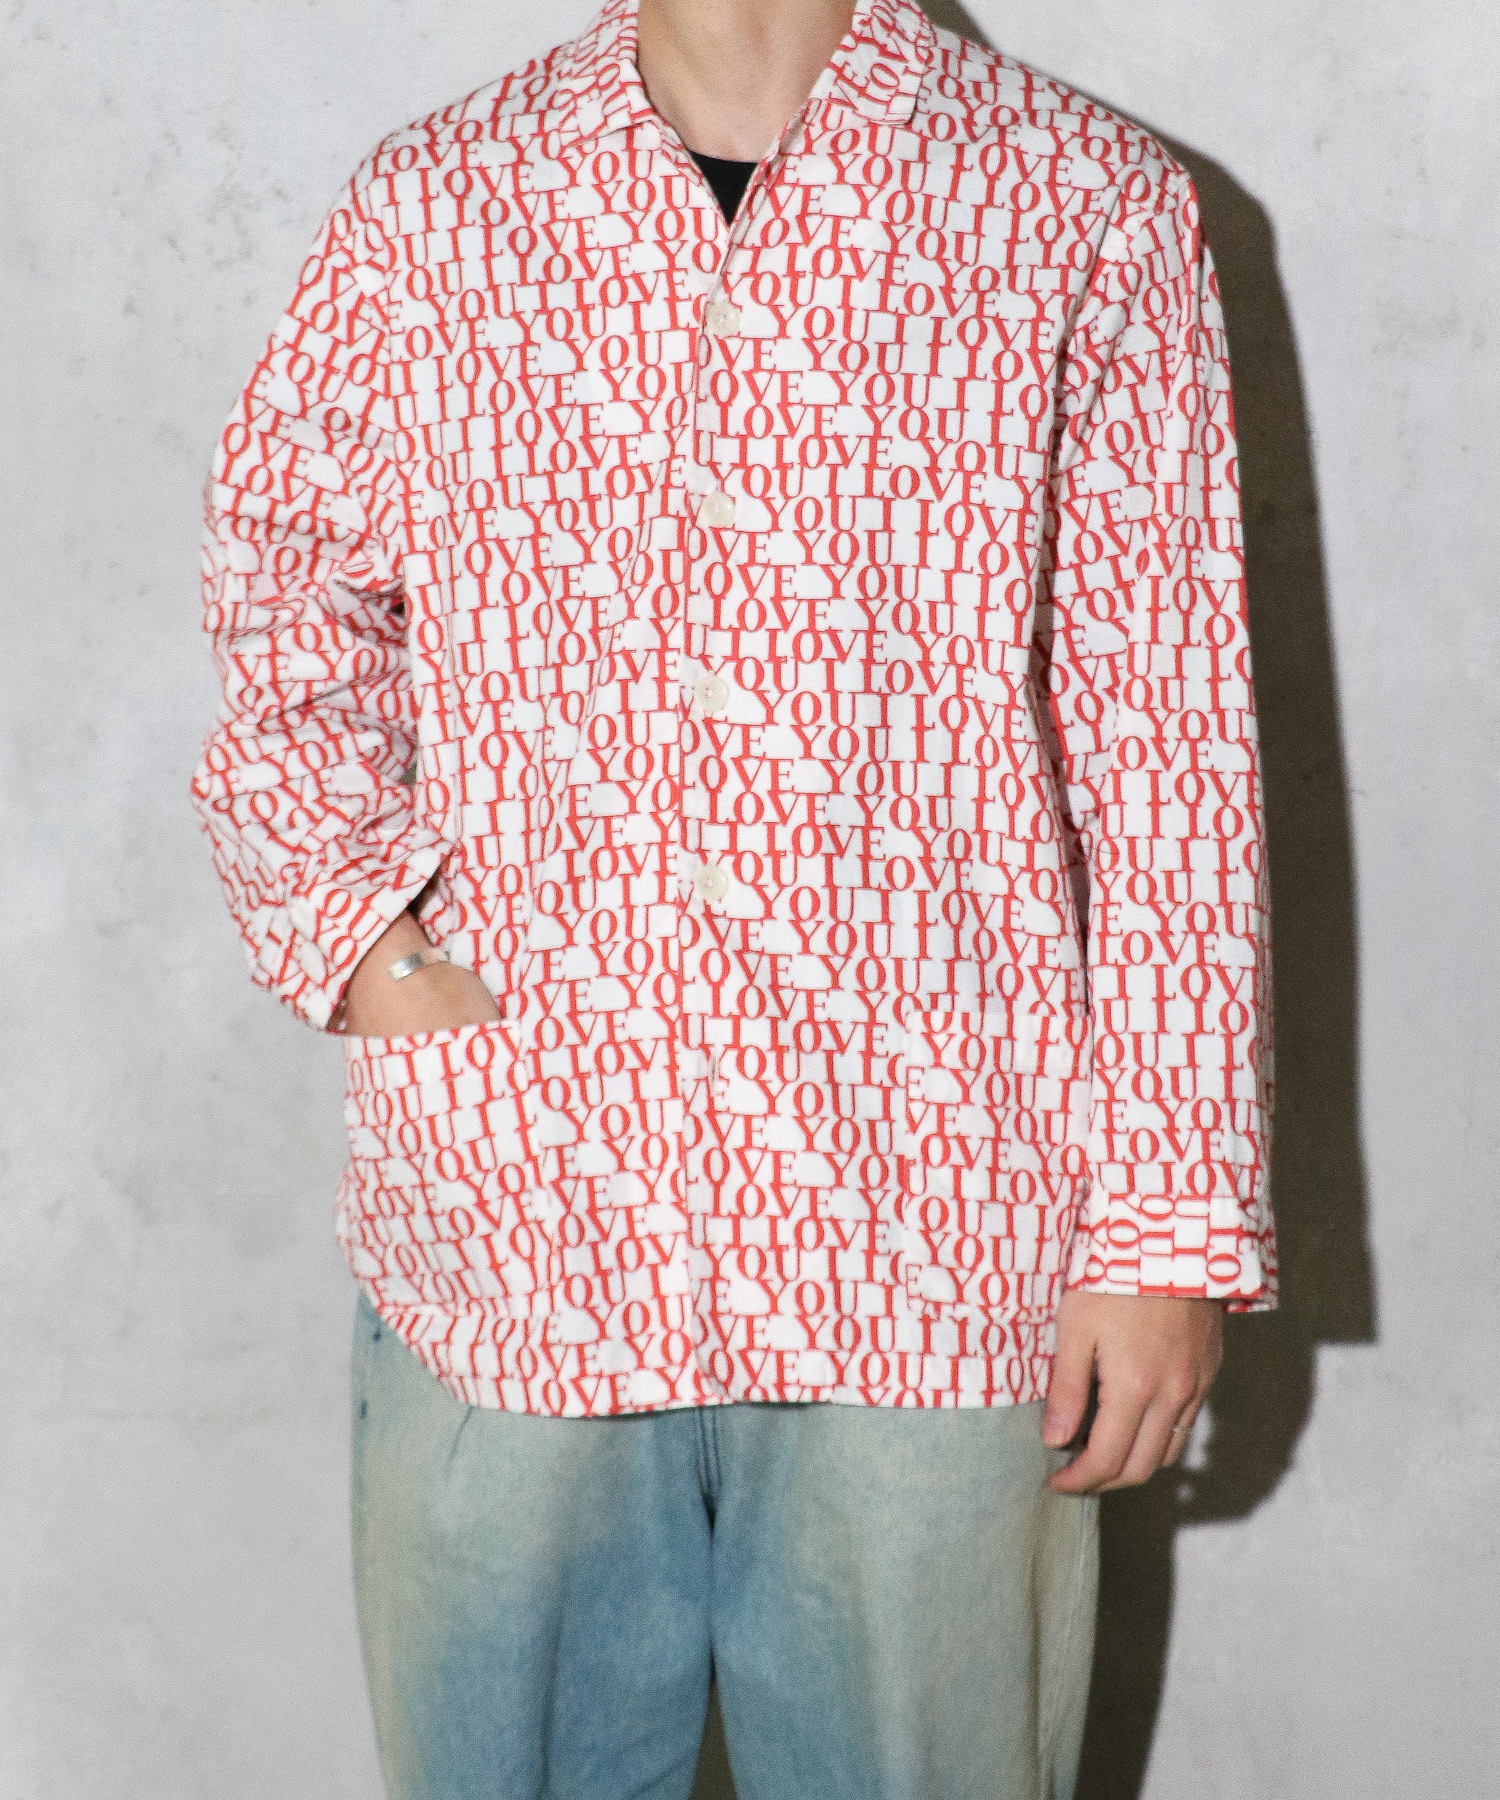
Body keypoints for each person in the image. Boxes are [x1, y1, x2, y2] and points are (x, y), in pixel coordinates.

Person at [193, 0, 1275, 1793]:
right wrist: (378, 953)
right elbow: (284, 601)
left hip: (935, 1226)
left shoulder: (1082, 200)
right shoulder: (436, 204)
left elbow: (1167, 741)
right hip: (526, 1221)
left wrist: (1165, 1229)